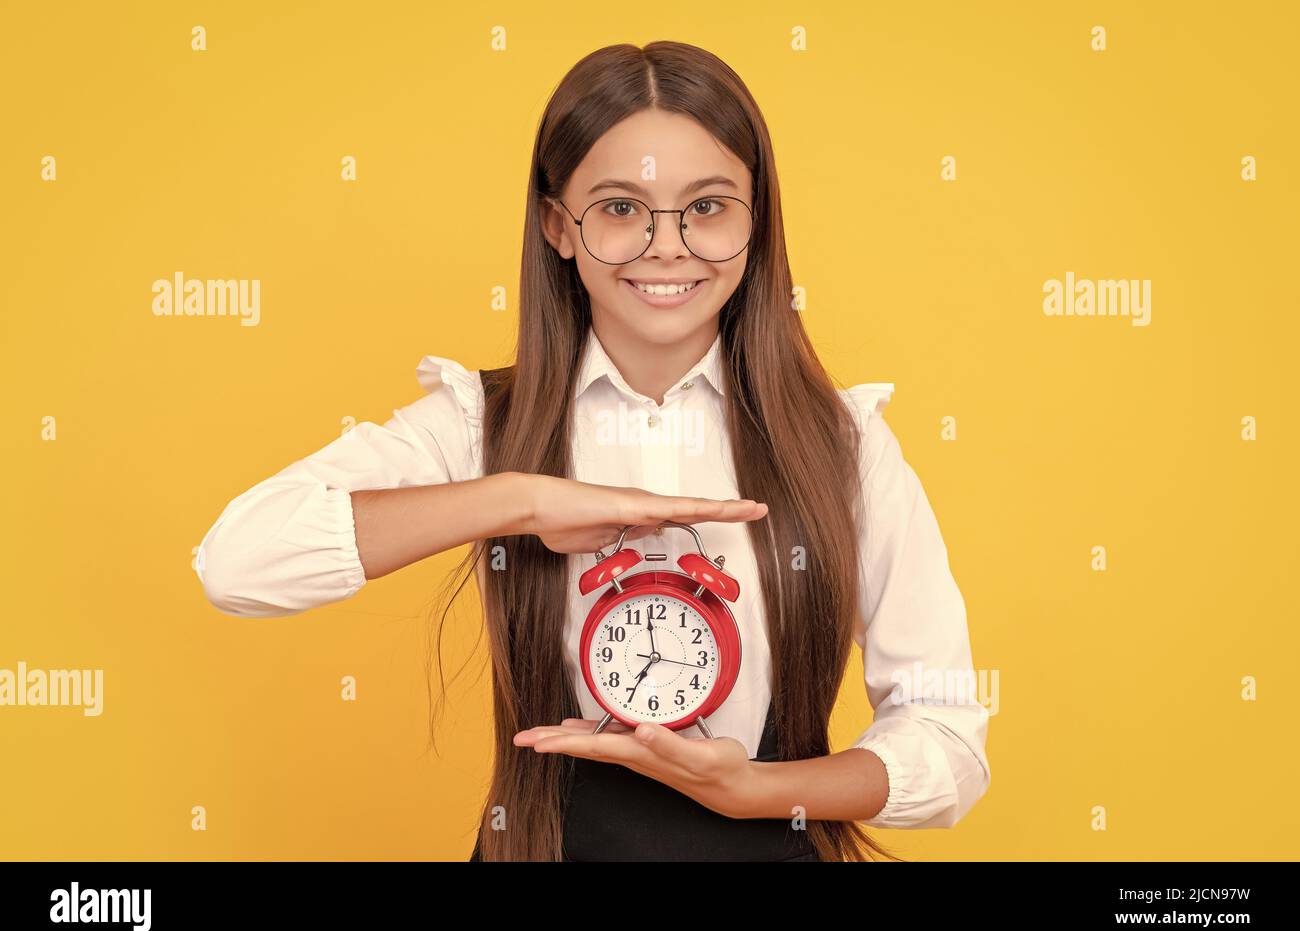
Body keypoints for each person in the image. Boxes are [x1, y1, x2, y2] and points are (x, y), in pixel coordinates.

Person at [196, 40, 990, 862]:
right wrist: (521, 499)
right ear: (557, 226)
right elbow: (237, 563)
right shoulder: (481, 421)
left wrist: (754, 788)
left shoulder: (840, 443)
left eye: (708, 207)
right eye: (620, 208)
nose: (667, 245)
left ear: (758, 223)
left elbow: (949, 740)